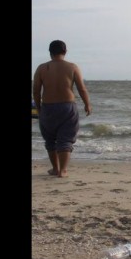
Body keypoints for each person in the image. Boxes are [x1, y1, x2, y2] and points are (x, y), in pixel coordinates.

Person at [33, 40, 92, 178]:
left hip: (47, 107)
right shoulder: (72, 67)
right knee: (65, 139)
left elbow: (36, 90)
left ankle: (55, 168)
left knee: (50, 139)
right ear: (65, 52)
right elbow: (81, 88)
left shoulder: (41, 68)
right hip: (67, 107)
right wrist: (87, 104)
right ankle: (63, 171)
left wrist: (38, 107)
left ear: (50, 52)